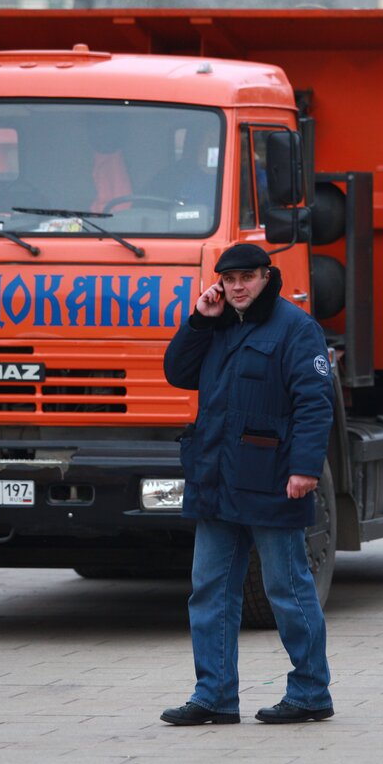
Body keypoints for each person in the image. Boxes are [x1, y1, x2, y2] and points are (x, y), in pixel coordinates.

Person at [161, 242, 335, 726]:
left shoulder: (296, 328)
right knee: (209, 590)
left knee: (287, 588)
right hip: (215, 480)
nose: (238, 287)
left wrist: (305, 469)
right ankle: (214, 695)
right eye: (229, 279)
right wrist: (198, 320)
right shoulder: (215, 323)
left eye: (247, 278)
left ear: (266, 277)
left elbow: (314, 403)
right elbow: (177, 372)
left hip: (272, 480)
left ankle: (310, 691)